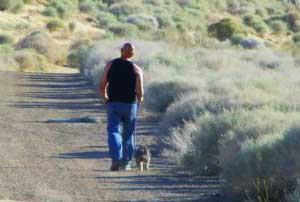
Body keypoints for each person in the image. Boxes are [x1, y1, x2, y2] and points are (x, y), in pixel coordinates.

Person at [99, 43, 144, 171]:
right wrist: (140, 99)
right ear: (132, 54)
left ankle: (115, 159)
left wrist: (105, 98)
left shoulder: (110, 65)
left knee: (113, 131)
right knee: (128, 134)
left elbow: (102, 85)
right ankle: (126, 163)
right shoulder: (136, 69)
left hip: (113, 104)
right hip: (130, 105)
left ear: (121, 51)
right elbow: (140, 91)